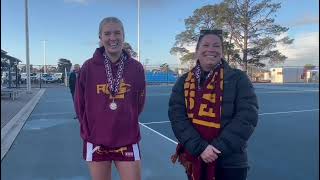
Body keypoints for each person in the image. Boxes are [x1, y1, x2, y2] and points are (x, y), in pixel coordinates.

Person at [168, 29, 258, 180]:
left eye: (216, 46)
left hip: (231, 163)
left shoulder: (238, 79)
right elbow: (177, 117)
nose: (211, 49)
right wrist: (200, 148)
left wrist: (216, 149)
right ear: (197, 52)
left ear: (222, 52)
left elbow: (247, 117)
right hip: (196, 159)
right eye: (206, 45)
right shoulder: (183, 82)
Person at [74, 17, 146, 180]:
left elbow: (139, 102)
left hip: (127, 138)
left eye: (117, 33)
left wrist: (127, 120)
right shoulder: (88, 67)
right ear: (100, 38)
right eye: (107, 33)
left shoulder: (136, 68)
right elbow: (80, 104)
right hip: (96, 139)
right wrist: (89, 130)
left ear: (124, 35)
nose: (112, 38)